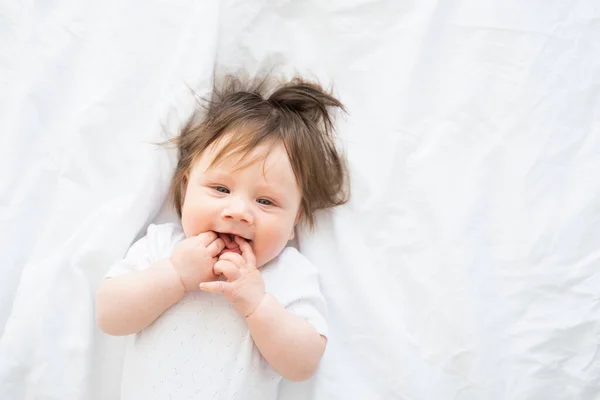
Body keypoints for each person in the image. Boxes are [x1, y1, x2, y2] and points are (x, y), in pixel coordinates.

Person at [95, 73, 349, 399]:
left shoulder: (288, 273)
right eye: (221, 188)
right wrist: (175, 274)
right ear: (186, 187)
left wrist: (258, 304)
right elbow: (109, 317)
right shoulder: (163, 246)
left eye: (266, 201)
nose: (238, 211)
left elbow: (304, 365)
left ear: (294, 219)